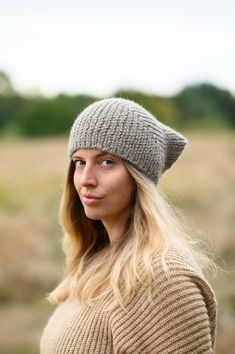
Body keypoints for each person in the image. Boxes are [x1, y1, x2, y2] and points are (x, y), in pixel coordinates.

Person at [40, 98, 217, 353]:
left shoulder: (166, 281)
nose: (86, 180)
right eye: (80, 162)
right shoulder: (96, 259)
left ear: (138, 177)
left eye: (106, 162)